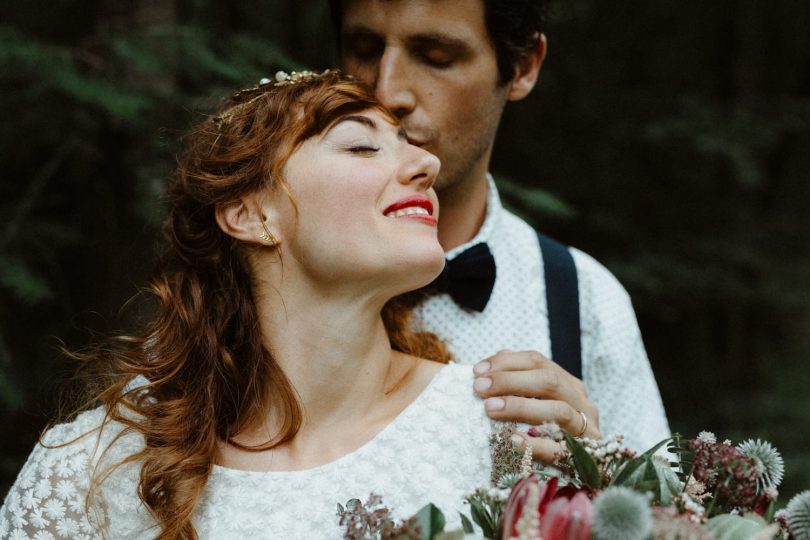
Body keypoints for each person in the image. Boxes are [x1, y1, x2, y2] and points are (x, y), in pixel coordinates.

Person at [0, 71, 500, 539]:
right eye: (361, 145)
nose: (428, 163)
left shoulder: (500, 430)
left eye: (409, 144)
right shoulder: (91, 474)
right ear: (250, 213)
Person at [331, 0, 671, 455]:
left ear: (523, 66)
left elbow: (663, 515)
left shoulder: (583, 298)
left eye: (436, 57)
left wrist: (597, 472)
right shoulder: (260, 272)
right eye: (364, 49)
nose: (386, 92)